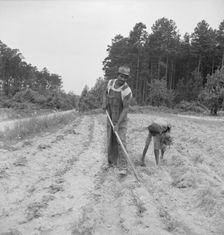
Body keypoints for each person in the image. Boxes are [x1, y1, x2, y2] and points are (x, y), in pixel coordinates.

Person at [102, 66, 132, 175]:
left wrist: (118, 124)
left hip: (121, 120)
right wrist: (104, 103)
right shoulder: (110, 83)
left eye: (125, 77)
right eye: (121, 76)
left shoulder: (127, 91)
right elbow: (105, 93)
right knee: (110, 140)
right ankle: (111, 163)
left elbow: (125, 109)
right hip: (110, 117)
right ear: (117, 74)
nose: (123, 79)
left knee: (121, 142)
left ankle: (123, 167)